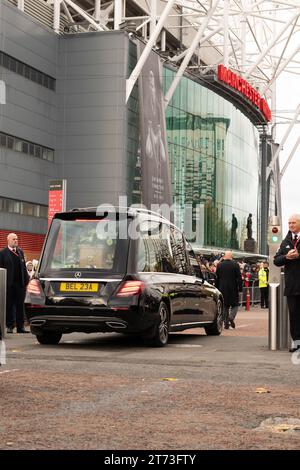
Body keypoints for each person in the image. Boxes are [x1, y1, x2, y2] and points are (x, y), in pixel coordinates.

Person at [274, 214, 300, 352]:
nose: (290, 225)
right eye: (289, 223)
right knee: (294, 316)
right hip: (292, 286)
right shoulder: (286, 241)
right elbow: (276, 260)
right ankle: (296, 343)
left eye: (293, 222)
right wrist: (286, 257)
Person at [0, 233, 29, 333]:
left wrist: (26, 280)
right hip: (9, 284)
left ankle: (20, 327)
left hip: (20, 284)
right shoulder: (3, 253)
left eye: (16, 239)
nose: (16, 241)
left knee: (20, 306)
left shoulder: (20, 252)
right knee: (9, 305)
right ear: (8, 240)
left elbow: (24, 268)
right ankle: (10, 326)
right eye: (14, 239)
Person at [215, 250, 243, 329]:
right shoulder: (235, 265)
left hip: (222, 288)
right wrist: (240, 288)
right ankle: (231, 317)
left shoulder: (219, 265)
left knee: (225, 306)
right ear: (231, 256)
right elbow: (239, 278)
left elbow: (217, 278)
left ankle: (226, 323)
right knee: (235, 305)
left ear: (224, 256)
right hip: (233, 288)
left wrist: (217, 288)